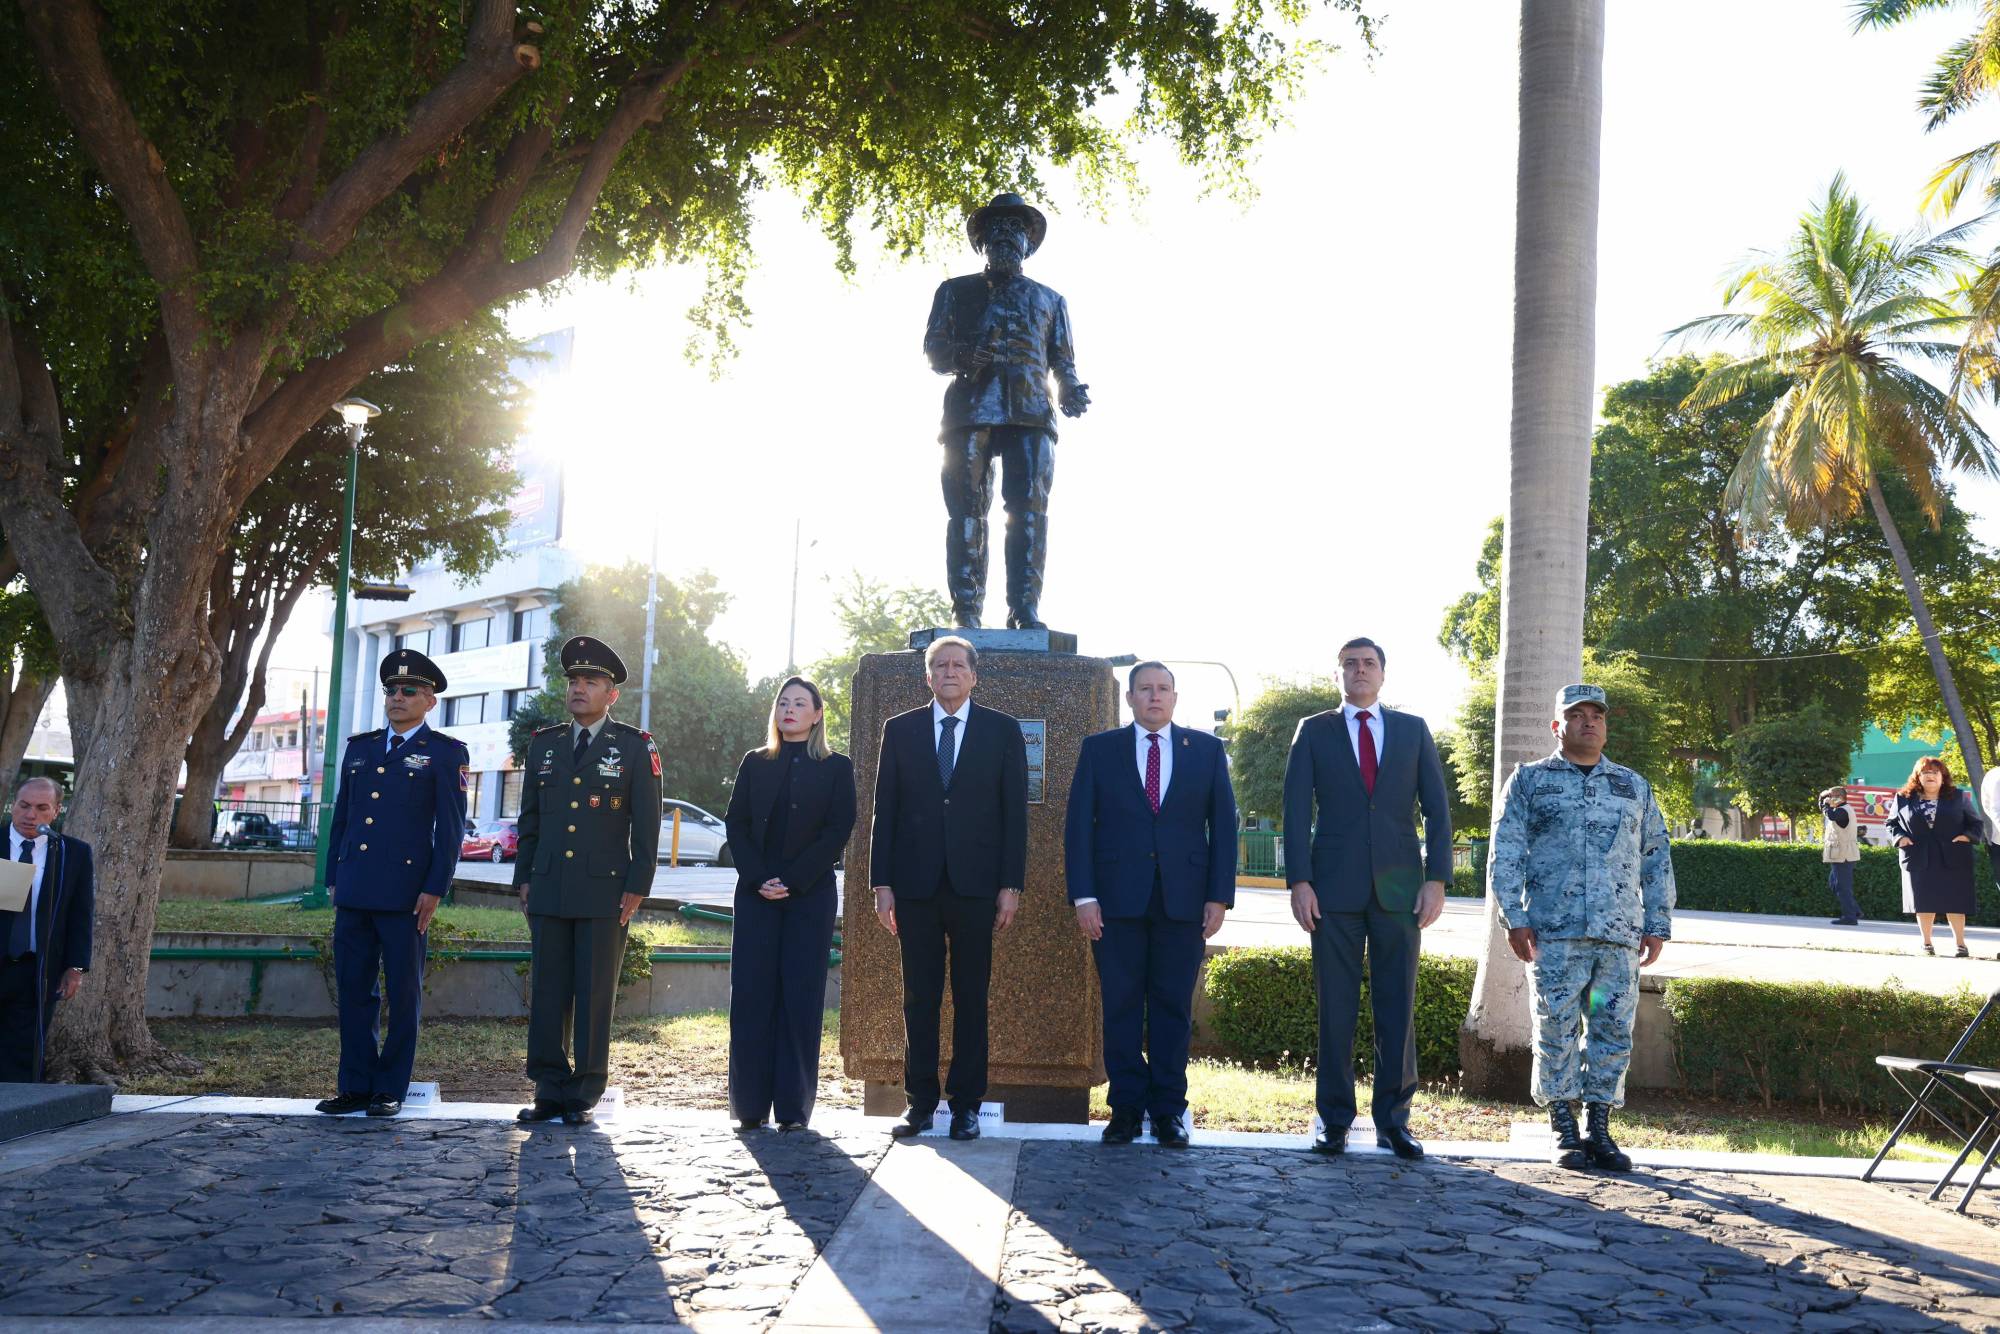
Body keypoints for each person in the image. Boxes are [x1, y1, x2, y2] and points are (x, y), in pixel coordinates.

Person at [1489, 684, 1675, 1172]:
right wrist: (1516, 917)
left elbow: (1655, 856)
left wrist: (1657, 923)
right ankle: (1563, 1126)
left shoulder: (1632, 786)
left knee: (1612, 1028)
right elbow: (1506, 852)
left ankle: (1599, 1126)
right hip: (1554, 935)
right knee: (1557, 1029)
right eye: (1576, 715)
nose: (1588, 722)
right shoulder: (1530, 781)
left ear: (1606, 726)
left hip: (1617, 937)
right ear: (1558, 726)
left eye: (1597, 715)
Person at [1282, 637, 1452, 1161]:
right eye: (1350, 664)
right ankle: (1333, 1119)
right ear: (1338, 675)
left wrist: (1437, 879)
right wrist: (1300, 882)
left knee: (1397, 1005)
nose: (1360, 671)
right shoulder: (1314, 731)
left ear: (1383, 673)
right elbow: (1293, 810)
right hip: (1331, 890)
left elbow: (1438, 810)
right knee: (1335, 1006)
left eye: (1369, 663)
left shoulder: (1412, 730)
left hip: (1401, 890)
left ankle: (1394, 1121)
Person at [1063, 662, 1236, 1147]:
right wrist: (1084, 896)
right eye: (1145, 689)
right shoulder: (1100, 750)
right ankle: (1124, 1109)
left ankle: (1168, 1111)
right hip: (1114, 903)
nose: (1154, 697)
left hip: (1183, 904)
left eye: (1163, 689)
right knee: (1119, 1006)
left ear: (1175, 698)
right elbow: (1078, 827)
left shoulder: (1205, 750)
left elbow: (1223, 827)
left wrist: (1219, 896)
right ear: (1131, 699)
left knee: (1172, 1009)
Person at [869, 635, 1028, 1140]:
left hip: (978, 887)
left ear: (975, 676)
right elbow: (885, 811)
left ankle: (965, 1106)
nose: (950, 672)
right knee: (919, 996)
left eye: (959, 665)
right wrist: (882, 884)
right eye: (940, 665)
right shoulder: (900, 730)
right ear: (928, 676)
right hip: (914, 887)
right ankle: (919, 1104)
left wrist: (1011, 886)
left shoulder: (1003, 732)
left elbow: (1013, 816)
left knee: (971, 997)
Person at [923, 192, 1090, 629]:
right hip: (971, 409)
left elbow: (1063, 361)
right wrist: (963, 356)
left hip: (1033, 411)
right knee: (966, 511)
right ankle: (967, 612)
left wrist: (1070, 388)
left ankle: (1025, 609)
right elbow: (934, 352)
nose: (1004, 236)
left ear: (1026, 242)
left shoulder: (1051, 300)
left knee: (1030, 511)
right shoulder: (954, 291)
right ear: (982, 242)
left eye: (1014, 229)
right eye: (995, 230)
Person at [515, 636, 663, 1126]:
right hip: (550, 885)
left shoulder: (635, 748)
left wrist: (638, 883)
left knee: (595, 991)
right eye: (574, 681)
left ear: (611, 694)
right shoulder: (544, 745)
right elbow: (530, 820)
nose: (579, 688)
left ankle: (585, 1089)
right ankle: (548, 1087)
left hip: (605, 889)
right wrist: (524, 877)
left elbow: (647, 823)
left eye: (590, 682)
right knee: (550, 989)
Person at [314, 649, 468, 1117]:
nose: (396, 698)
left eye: (408, 691)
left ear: (429, 701)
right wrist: (334, 877)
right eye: (391, 691)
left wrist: (435, 887)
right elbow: (343, 817)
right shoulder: (359, 748)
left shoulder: (444, 753)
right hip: (356, 889)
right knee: (355, 990)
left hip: (407, 894)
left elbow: (452, 828)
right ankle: (355, 1084)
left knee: (403, 993)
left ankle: (389, 1088)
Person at [723, 677, 856, 1132]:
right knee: (753, 996)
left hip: (809, 897)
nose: (790, 709)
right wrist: (759, 878)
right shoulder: (755, 762)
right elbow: (736, 823)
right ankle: (749, 1107)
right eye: (784, 702)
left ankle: (794, 1110)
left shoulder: (837, 767)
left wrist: (794, 881)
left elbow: (838, 829)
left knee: (800, 999)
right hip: (757, 895)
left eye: (800, 703)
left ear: (817, 714)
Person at [0, 778, 91, 1083]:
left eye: (42, 808)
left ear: (56, 811)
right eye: (24, 805)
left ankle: (17, 1116)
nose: (30, 815)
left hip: (37, 969)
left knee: (24, 1053)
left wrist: (75, 967)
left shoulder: (71, 853)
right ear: (13, 804)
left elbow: (80, 914)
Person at [1888, 756, 1983, 958]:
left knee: (1956, 901)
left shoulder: (1958, 797)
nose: (1930, 776)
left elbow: (1976, 824)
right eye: (1925, 772)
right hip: (1918, 855)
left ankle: (1960, 945)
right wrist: (1900, 838)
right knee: (1924, 901)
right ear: (1918, 777)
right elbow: (1891, 824)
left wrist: (1967, 836)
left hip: (1954, 856)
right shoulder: (1903, 798)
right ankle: (1926, 944)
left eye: (1935, 772)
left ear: (1943, 776)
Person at [1819, 784, 1862, 926]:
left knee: (1842, 887)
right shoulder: (1840, 809)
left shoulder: (1842, 811)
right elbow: (1825, 810)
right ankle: (1854, 911)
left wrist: (1826, 805)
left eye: (1831, 797)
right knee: (1834, 884)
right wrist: (1822, 797)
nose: (1829, 799)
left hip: (1843, 855)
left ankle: (1850, 917)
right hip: (1840, 854)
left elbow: (1831, 815)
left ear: (1840, 798)